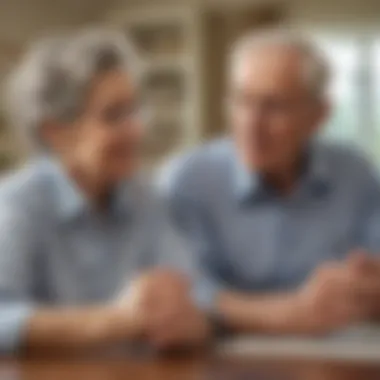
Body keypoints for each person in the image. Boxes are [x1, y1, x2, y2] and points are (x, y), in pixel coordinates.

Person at [0, 28, 209, 354]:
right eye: (114, 115)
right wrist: (115, 321)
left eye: (135, 111)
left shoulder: (146, 199)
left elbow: (195, 299)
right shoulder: (17, 206)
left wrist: (189, 322)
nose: (137, 129)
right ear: (56, 133)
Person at [162, 29, 380, 336]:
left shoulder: (356, 174)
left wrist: (368, 289)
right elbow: (184, 292)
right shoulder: (188, 180)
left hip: (340, 356)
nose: (251, 124)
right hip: (224, 362)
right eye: (242, 101)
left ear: (319, 115)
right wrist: (290, 314)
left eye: (274, 106)